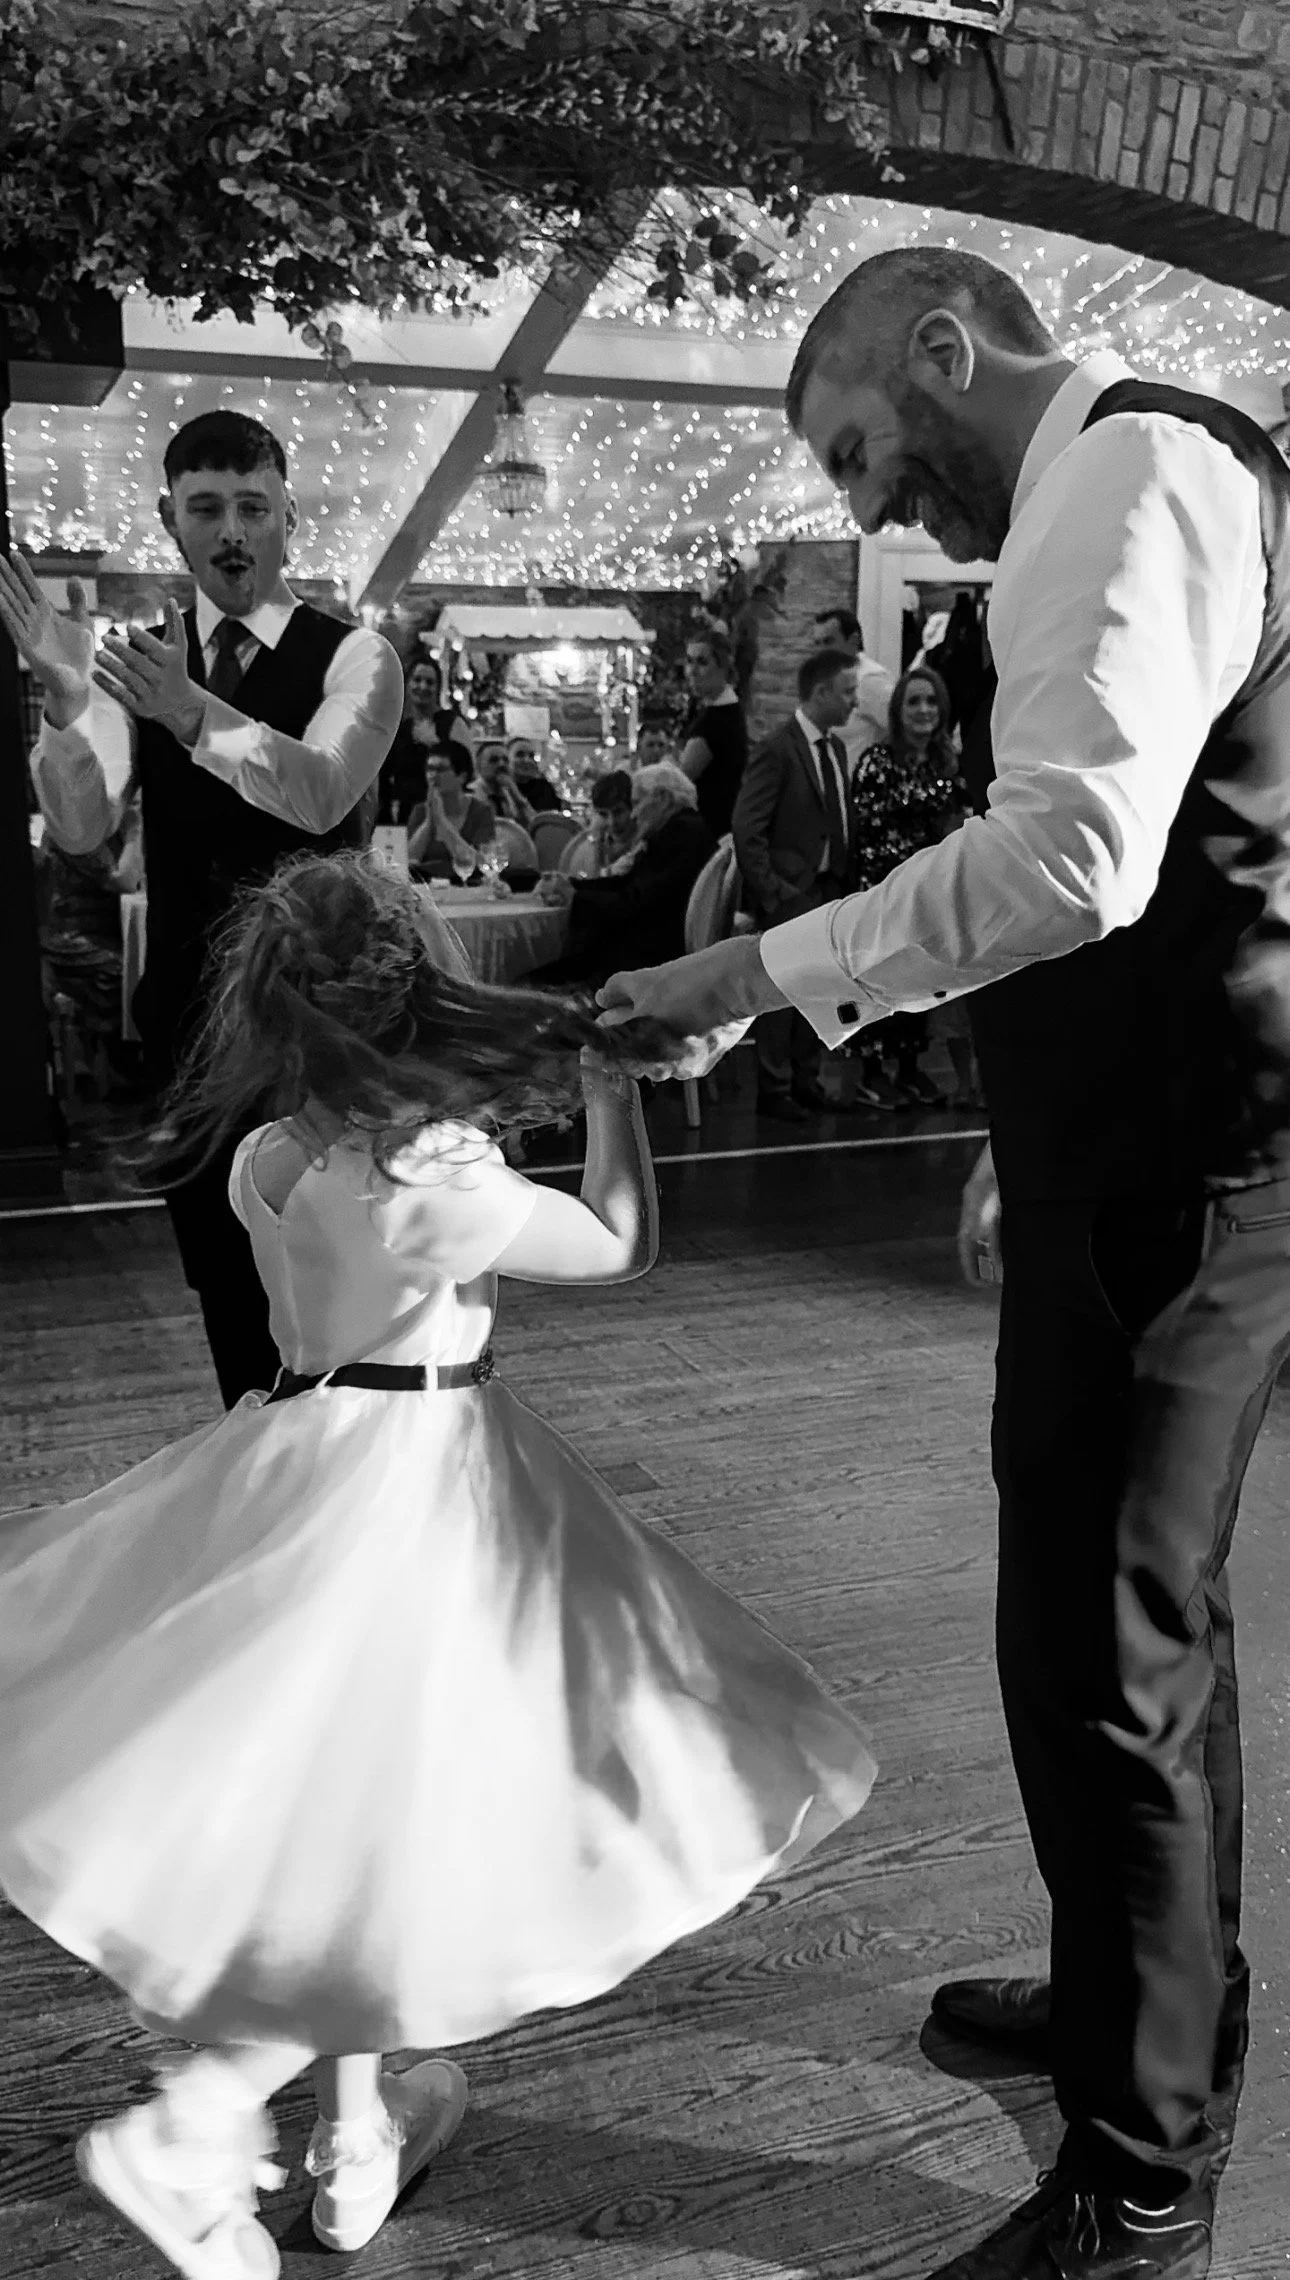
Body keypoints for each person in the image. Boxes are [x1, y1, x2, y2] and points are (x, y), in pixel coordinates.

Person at [598, 242, 1289, 2280]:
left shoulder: (1130, 476)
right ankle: (1141, 2013)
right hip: (1152, 1141)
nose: (873, 506)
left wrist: (751, 964)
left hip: (1192, 1158)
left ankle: (1140, 2177)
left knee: (1102, 1653)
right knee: (1120, 1635)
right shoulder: (1125, 486)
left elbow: (1078, 855)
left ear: (943, 346)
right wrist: (1031, 1133)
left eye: (864, 452)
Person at [0, 849, 875, 2280]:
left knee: (359, 1825)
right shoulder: (436, 1175)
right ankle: (198, 2120)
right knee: (417, 1821)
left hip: (292, 1459)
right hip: (422, 1491)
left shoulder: (263, 1160)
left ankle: (359, 2140)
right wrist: (608, 1097)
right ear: (417, 986)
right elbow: (619, 1245)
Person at [3, 410, 402, 1409]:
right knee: (227, 1288)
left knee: (343, 1277)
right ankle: (261, 1496)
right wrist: (61, 701)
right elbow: (86, 831)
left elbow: (320, 791)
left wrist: (191, 712)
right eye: (209, 509)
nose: (233, 533)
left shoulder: (357, 659)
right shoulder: (134, 668)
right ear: (169, 520)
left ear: (288, 518)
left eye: (254, 509)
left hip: (326, 1028)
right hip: (191, 1029)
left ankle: (351, 1498)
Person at [732, 648, 861, 1123]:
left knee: (823, 989)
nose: (854, 702)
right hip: (792, 892)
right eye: (848, 692)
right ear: (821, 691)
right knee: (783, 994)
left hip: (831, 890)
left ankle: (807, 1080)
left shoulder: (836, 748)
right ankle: (776, 1086)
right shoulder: (778, 748)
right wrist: (774, 892)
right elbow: (748, 829)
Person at [847, 665, 964, 1109]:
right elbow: (871, 824)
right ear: (898, 710)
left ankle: (911, 1070)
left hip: (929, 895)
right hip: (883, 891)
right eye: (914, 701)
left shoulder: (945, 763)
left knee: (921, 985)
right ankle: (872, 1076)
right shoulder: (878, 760)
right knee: (882, 986)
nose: (923, 710)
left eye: (931, 701)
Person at [529, 761, 714, 990]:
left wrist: (576, 898)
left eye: (636, 803)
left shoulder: (680, 836)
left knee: (527, 982)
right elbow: (629, 884)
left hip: (643, 964)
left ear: (663, 798)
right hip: (649, 952)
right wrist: (574, 886)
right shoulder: (682, 829)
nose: (634, 814)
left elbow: (635, 904)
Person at [375, 656, 470, 825]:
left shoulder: (453, 722)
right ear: (408, 684)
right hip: (402, 818)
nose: (423, 686)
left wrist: (434, 744)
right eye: (417, 680)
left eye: (430, 682)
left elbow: (467, 773)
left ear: (438, 688)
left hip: (443, 815)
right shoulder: (400, 728)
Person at [679, 627, 748, 838]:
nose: (692, 671)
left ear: (724, 667)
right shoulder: (721, 711)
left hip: (709, 831)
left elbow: (679, 781)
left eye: (702, 662)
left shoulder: (717, 720)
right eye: (689, 661)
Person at [812, 606, 896, 774]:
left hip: (858, 790)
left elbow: (903, 729)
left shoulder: (871, 681)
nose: (821, 650)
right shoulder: (824, 680)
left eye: (828, 642)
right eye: (817, 643)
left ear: (853, 641)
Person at [406, 747, 496, 874]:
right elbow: (408, 860)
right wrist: (429, 821)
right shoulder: (420, 811)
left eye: (440, 769)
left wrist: (442, 821)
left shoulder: (481, 812)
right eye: (429, 769)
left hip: (469, 887)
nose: (432, 775)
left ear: (462, 777)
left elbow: (480, 864)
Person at [472, 739, 536, 829]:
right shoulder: (471, 795)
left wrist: (517, 795)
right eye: (494, 760)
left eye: (506, 760)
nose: (501, 764)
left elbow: (534, 826)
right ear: (478, 766)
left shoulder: (509, 794)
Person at [587, 767, 638, 874]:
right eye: (603, 814)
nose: (612, 822)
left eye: (618, 812)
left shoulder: (644, 847)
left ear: (633, 807)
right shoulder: (600, 841)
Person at [508, 740, 563, 812]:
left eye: (531, 756)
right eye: (520, 755)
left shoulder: (544, 787)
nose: (527, 760)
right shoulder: (503, 789)